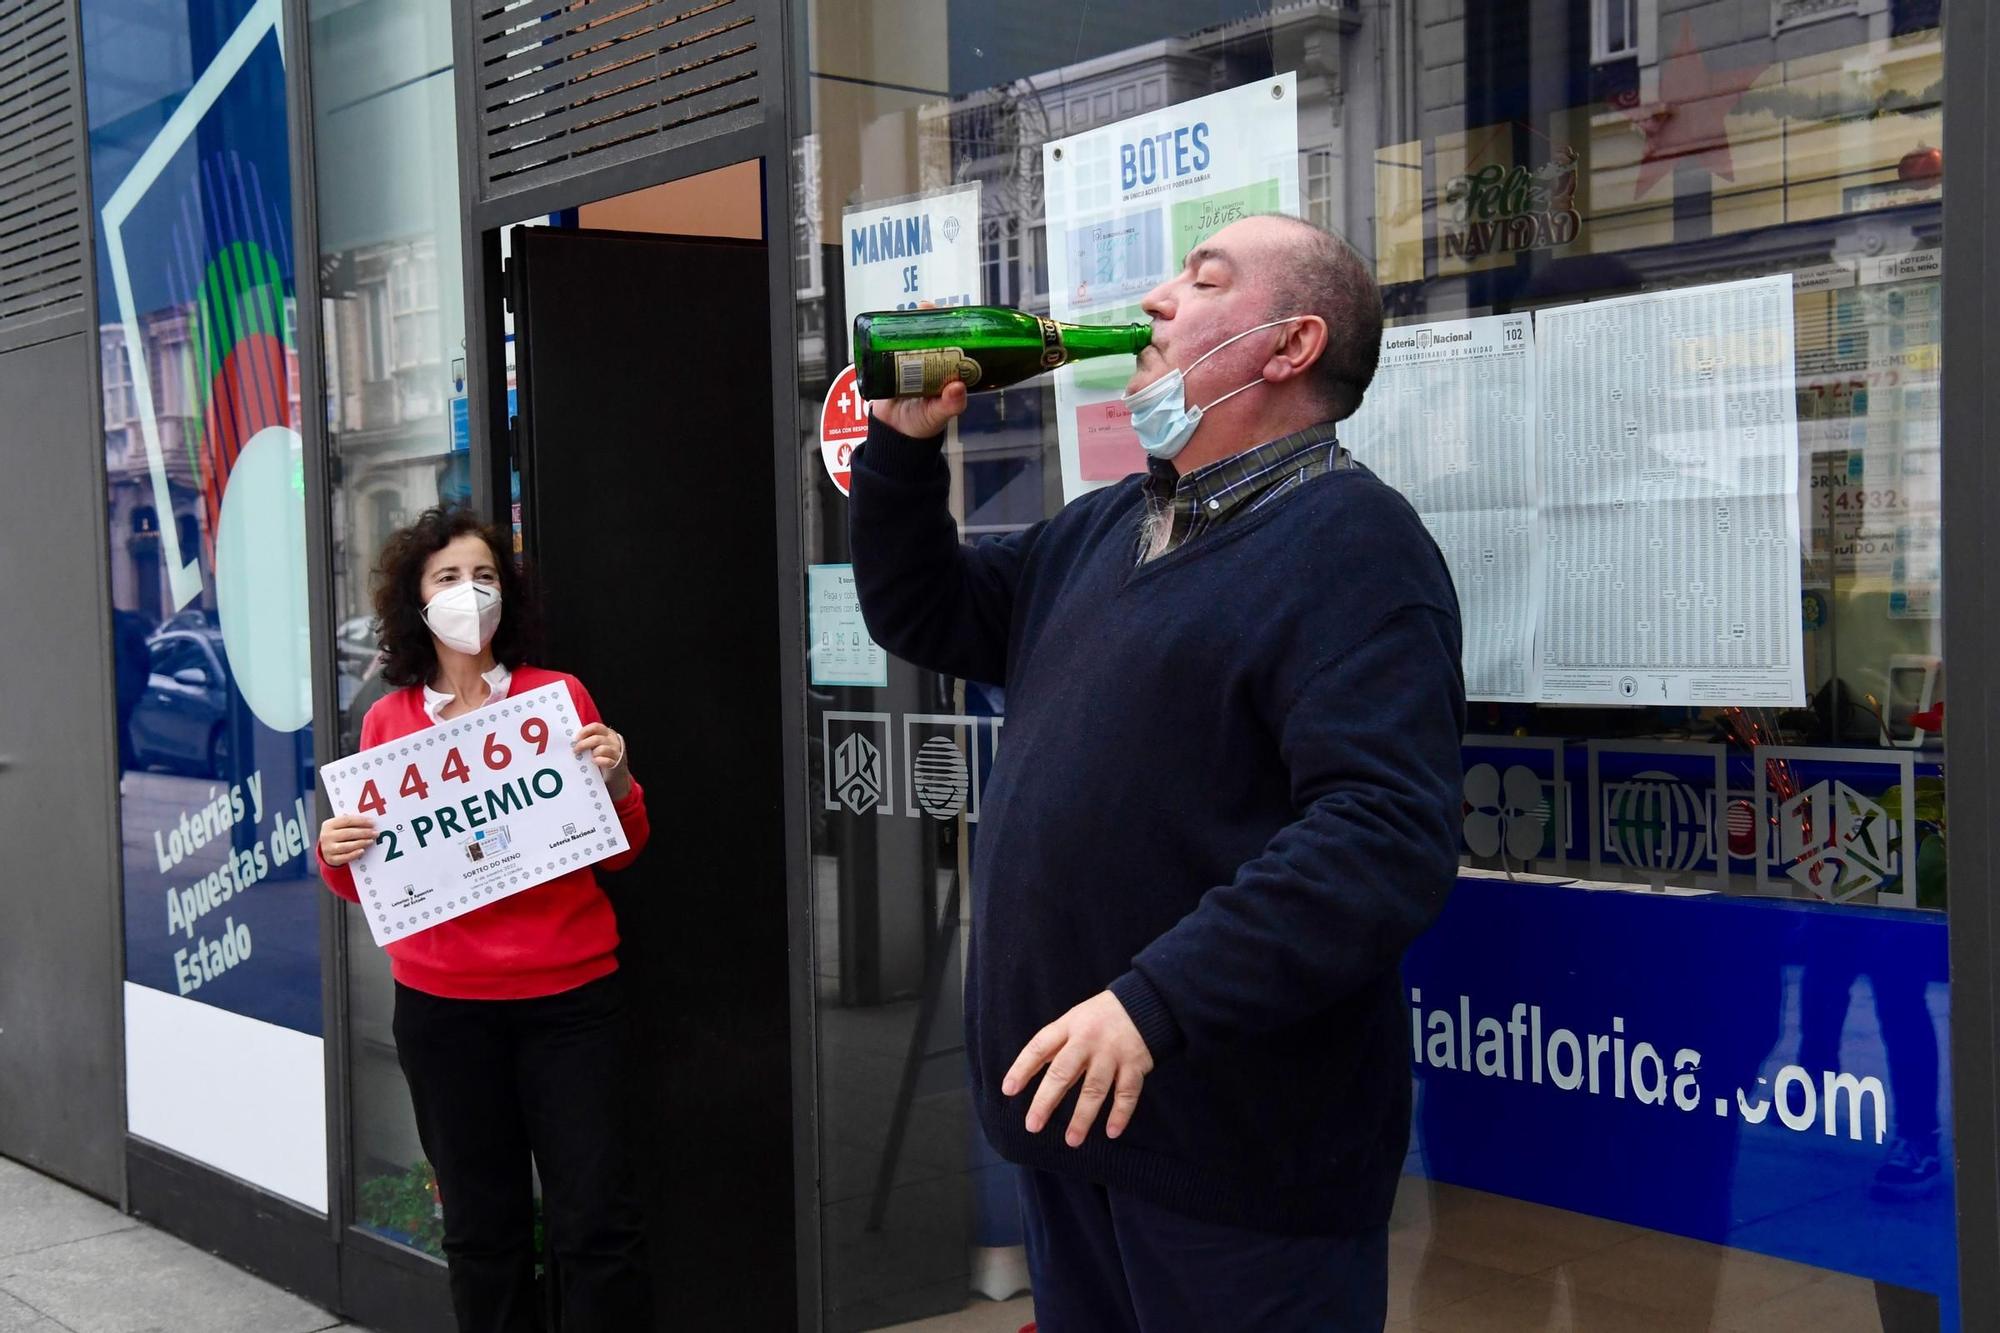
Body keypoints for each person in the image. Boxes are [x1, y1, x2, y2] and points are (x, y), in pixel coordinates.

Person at [849, 214, 1466, 1332]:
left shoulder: (1356, 547)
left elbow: (1381, 837)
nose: (1153, 302)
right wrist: (898, 451)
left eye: (1202, 280)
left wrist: (1153, 1002)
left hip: (1234, 1156)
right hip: (1073, 1124)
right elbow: (923, 608)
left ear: (1286, 346)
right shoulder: (1104, 530)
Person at [316, 506, 652, 1333]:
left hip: (572, 1005)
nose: (470, 593)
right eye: (448, 578)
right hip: (445, 1013)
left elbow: (621, 851)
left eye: (484, 576)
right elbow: (372, 885)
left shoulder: (556, 699)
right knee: (480, 1228)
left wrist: (617, 778)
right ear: (415, 601)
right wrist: (336, 848)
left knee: (597, 1223)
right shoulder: (386, 724)